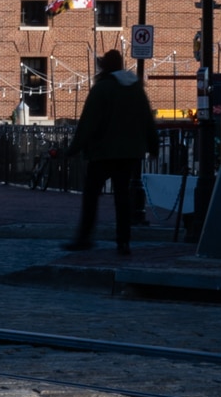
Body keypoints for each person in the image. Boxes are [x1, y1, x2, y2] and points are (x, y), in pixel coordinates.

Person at [67, 47, 156, 253]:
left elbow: (88, 122)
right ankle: (123, 241)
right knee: (122, 198)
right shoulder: (136, 88)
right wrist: (153, 146)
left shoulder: (102, 88)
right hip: (129, 153)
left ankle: (84, 238)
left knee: (91, 195)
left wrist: (72, 149)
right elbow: (147, 119)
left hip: (103, 152)